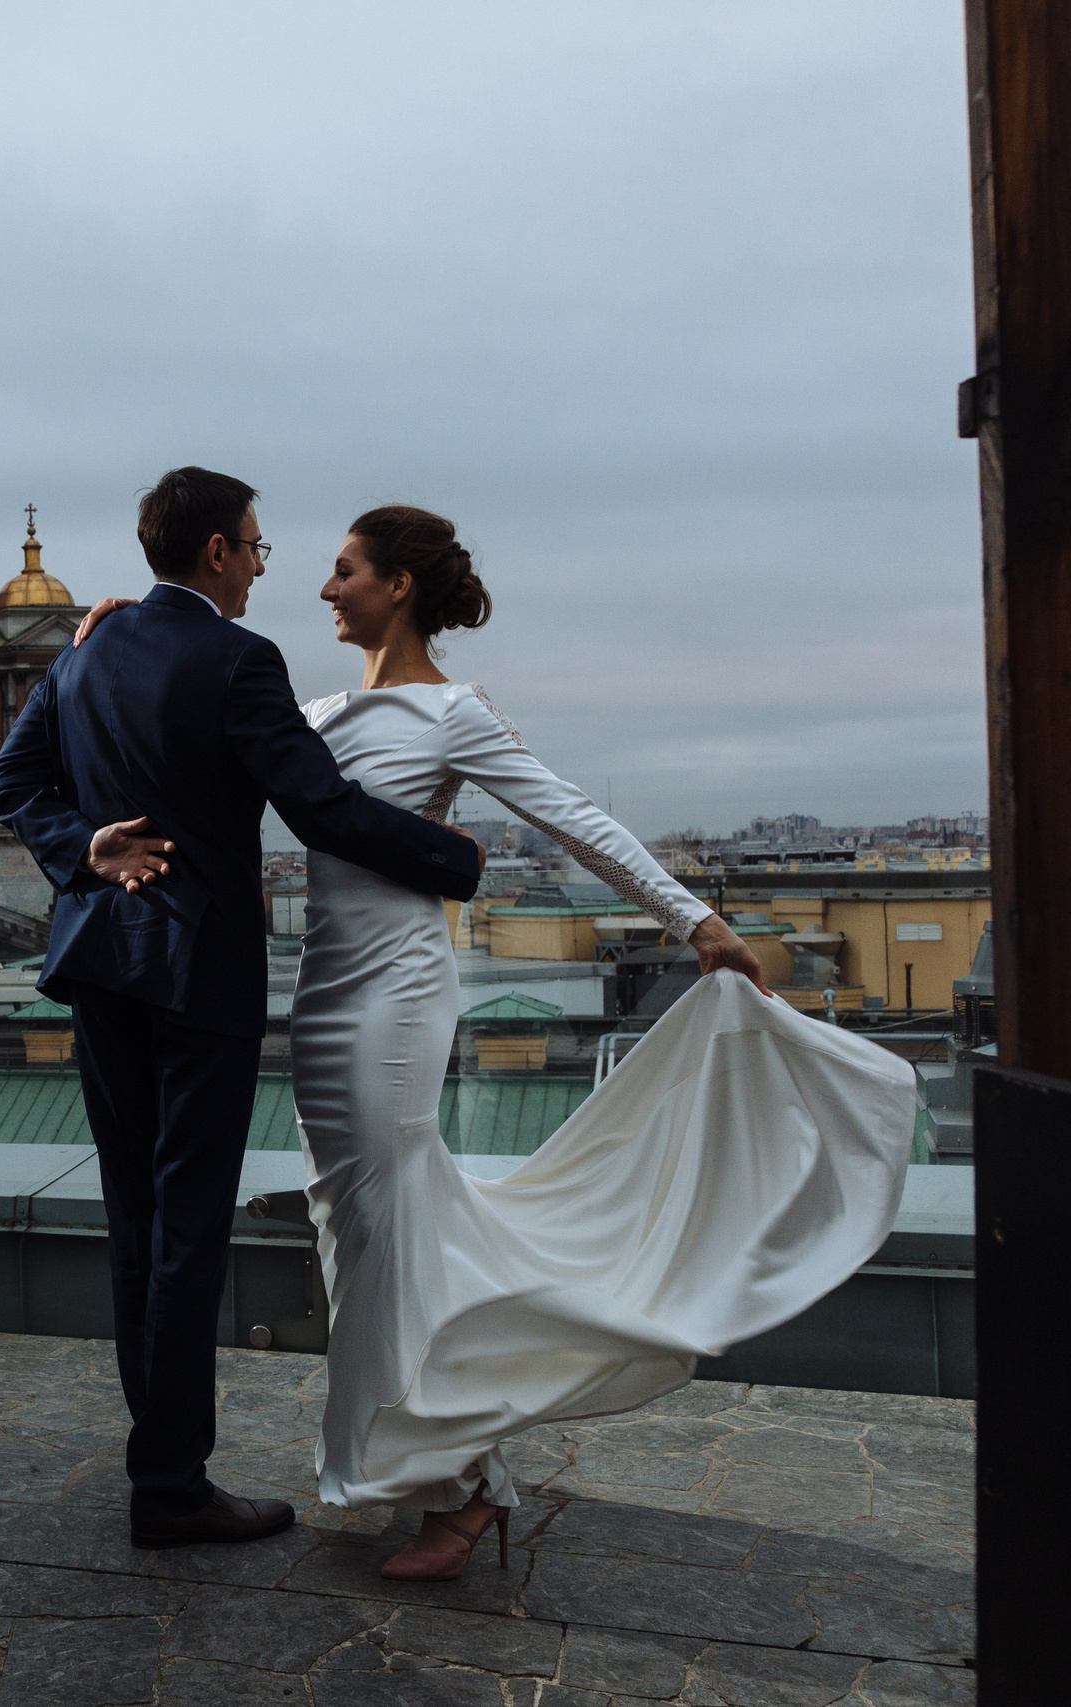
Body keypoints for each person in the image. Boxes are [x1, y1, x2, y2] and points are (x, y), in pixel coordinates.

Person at [70, 503, 913, 1582]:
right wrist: (125, 630)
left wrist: (690, 918)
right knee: (358, 1233)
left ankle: (462, 1491)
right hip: (320, 998)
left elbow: (573, 818)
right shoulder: (317, 709)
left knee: (386, 1228)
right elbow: (195, 742)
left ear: (398, 587)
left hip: (397, 994)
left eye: (342, 571)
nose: (322, 589)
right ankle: (445, 1475)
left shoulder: (451, 715)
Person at [0, 468, 485, 1549]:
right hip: (195, 978)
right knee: (187, 1235)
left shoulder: (87, 646)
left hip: (97, 966)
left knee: (135, 1227)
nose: (265, 565)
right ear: (214, 551)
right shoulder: (236, 659)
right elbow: (322, 807)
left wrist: (82, 849)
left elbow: (9, 783)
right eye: (255, 545)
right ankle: (168, 1487)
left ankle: (160, 1465)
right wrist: (454, 856)